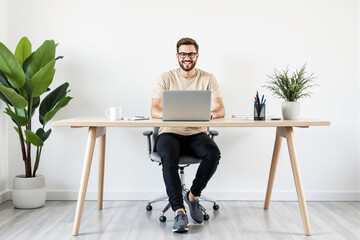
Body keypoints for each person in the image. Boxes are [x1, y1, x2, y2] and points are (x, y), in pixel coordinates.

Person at [151, 37, 225, 233]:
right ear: (177, 56)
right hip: (170, 133)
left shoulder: (208, 78)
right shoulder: (165, 78)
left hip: (197, 133)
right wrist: (172, 115)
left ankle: (192, 196)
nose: (187, 58)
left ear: (197, 56)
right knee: (168, 156)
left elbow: (220, 110)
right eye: (183, 54)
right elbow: (154, 110)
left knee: (213, 154)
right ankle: (178, 211)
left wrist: (211, 114)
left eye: (191, 54)